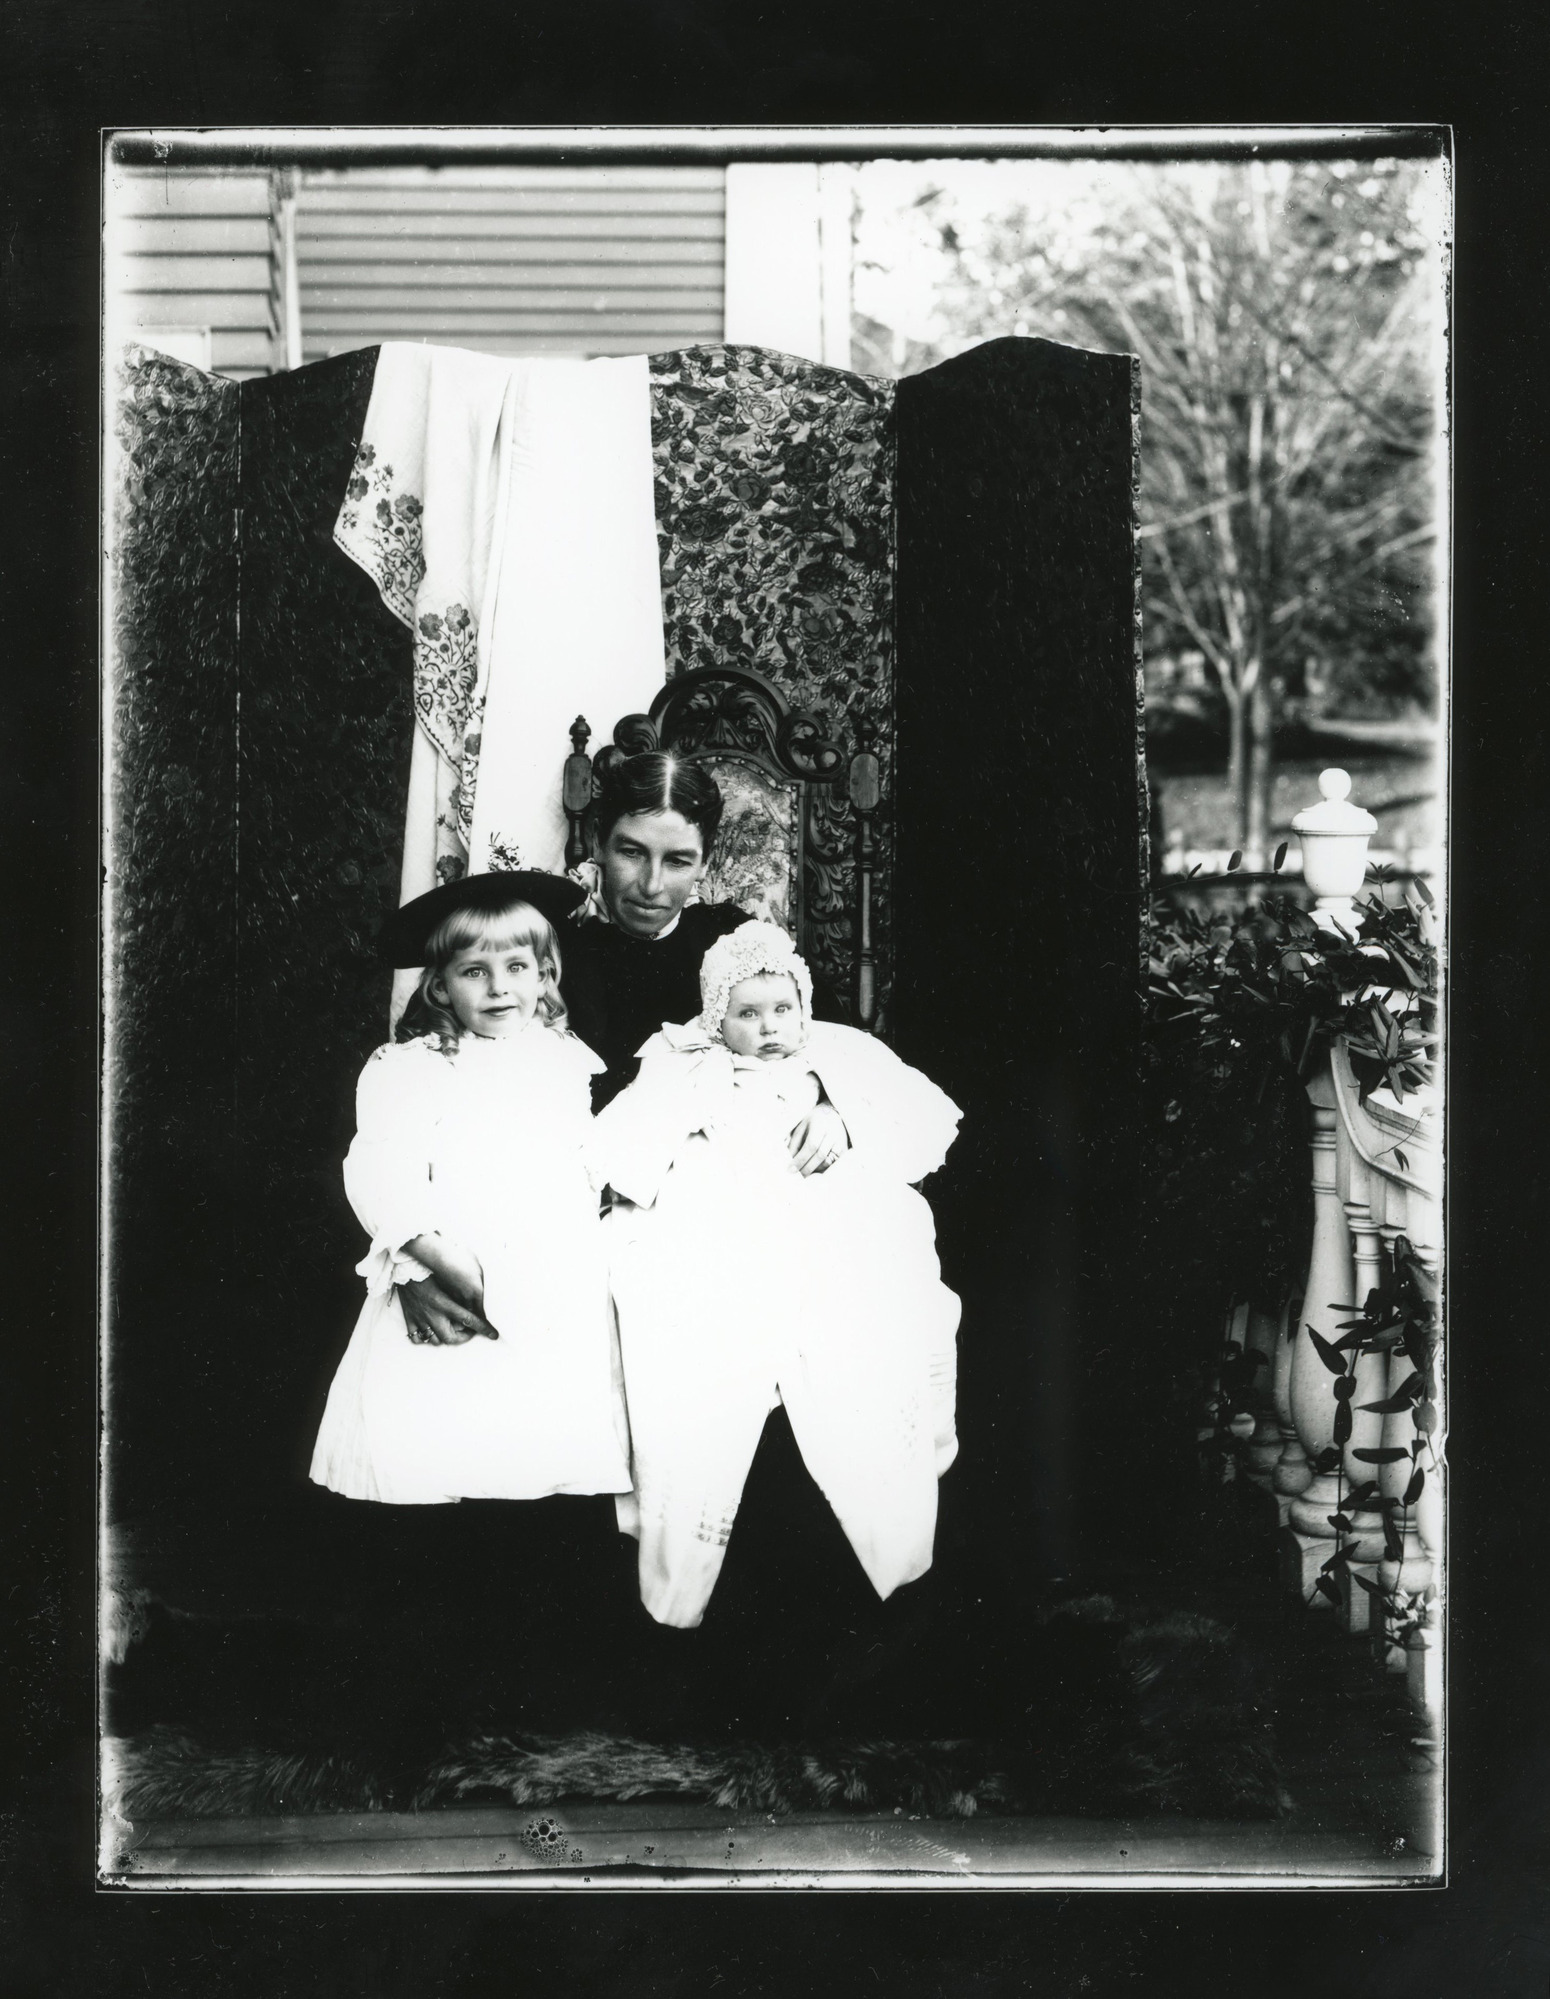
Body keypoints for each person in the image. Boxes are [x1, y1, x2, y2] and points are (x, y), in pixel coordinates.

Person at [590, 921, 963, 1727]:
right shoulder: (682, 1062)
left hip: (825, 1227)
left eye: (782, 1010)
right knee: (687, 1336)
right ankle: (697, 1630)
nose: (769, 1029)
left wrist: (844, 1112)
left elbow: (919, 1121)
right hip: (715, 1233)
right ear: (714, 1018)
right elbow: (620, 1148)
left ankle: (867, 1614)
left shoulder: (839, 1055)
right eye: (748, 1013)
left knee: (874, 1312)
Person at [398, 749, 852, 1346]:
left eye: (678, 860)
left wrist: (827, 1100)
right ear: (598, 844)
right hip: (548, 1207)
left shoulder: (732, 945)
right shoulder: (531, 948)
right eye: (631, 851)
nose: (651, 885)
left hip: (700, 1202)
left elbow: (834, 1038)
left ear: (705, 862)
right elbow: (413, 1097)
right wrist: (410, 1264)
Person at [310, 871, 630, 1505]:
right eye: (474, 971)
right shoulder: (414, 1065)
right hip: (457, 1257)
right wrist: (431, 1259)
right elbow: (381, 1168)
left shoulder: (563, 1057)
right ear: (440, 984)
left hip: (553, 1274)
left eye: (516, 966)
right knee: (445, 1424)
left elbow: (582, 1156)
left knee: (538, 1438)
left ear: (545, 975)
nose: (498, 987)